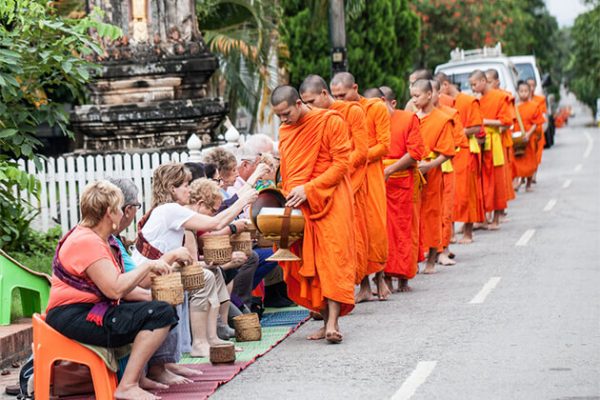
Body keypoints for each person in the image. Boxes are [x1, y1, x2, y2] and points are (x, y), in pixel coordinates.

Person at [45, 180, 184, 400]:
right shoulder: (86, 241)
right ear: (110, 212)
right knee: (160, 314)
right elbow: (115, 290)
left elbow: (122, 287)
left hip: (85, 311)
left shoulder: (96, 239)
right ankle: (127, 385)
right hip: (74, 316)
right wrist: (149, 265)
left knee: (158, 309)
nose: (123, 214)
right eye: (120, 208)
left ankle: (135, 379)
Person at [132, 163, 257, 358]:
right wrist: (243, 201)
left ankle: (212, 337)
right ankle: (199, 343)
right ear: (172, 188)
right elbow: (216, 224)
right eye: (185, 185)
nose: (189, 189)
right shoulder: (170, 210)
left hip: (160, 271)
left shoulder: (168, 209)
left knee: (211, 274)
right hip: (146, 278)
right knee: (204, 276)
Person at [271, 85, 355, 343]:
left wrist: (310, 188)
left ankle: (333, 323)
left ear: (298, 103)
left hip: (331, 199)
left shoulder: (330, 121)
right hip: (298, 202)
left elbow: (342, 163)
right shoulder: (286, 130)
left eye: (286, 113)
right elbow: (288, 168)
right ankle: (321, 315)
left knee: (332, 259)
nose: (283, 120)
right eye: (279, 116)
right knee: (310, 263)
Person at [108, 178, 199, 387]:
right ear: (126, 209)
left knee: (168, 295)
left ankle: (157, 368)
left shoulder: (112, 240)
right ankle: (138, 379)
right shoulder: (99, 240)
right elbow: (125, 288)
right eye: (185, 185)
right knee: (163, 305)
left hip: (106, 302)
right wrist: (169, 259)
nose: (189, 189)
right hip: (91, 311)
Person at [299, 74, 369, 288]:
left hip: (350, 181)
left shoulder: (352, 111)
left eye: (311, 102)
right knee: (327, 243)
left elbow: (361, 150)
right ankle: (328, 294)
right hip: (320, 188)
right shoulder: (309, 118)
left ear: (323, 93)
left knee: (356, 235)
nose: (309, 107)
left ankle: (363, 284)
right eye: (305, 103)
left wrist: (339, 170)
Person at [330, 72, 391, 302]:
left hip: (371, 174)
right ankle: (363, 284)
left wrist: (360, 154)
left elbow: (384, 145)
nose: (340, 100)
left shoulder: (375, 108)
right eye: (336, 96)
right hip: (349, 177)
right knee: (355, 232)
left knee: (376, 228)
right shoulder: (335, 112)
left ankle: (380, 278)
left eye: (343, 94)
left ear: (355, 88)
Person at [366, 87, 424, 292]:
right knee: (381, 231)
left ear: (385, 101)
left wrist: (389, 169)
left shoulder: (408, 119)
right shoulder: (369, 121)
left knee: (402, 230)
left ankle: (404, 277)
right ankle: (385, 277)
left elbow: (415, 152)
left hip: (402, 183)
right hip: (375, 184)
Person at [410, 79, 455, 275]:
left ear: (429, 95)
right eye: (412, 96)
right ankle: (416, 258)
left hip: (433, 173)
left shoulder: (441, 119)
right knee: (414, 216)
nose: (414, 100)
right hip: (414, 173)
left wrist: (430, 165)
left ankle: (432, 260)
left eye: (417, 96)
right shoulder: (412, 118)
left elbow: (447, 152)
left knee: (432, 215)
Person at [435, 72, 485, 244]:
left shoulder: (468, 101)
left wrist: (458, 132)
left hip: (465, 150)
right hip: (449, 152)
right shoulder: (443, 104)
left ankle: (468, 233)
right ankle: (451, 233)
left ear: (445, 85)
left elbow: (477, 126)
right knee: (450, 193)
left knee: (466, 192)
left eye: (438, 89)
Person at [469, 70, 512, 230]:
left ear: (483, 81)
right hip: (480, 143)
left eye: (475, 84)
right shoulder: (477, 100)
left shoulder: (499, 97)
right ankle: (483, 217)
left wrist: (485, 121)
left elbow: (507, 122)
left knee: (495, 180)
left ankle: (496, 218)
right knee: (482, 181)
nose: (473, 88)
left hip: (494, 143)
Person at [431, 80, 468, 266]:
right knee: (429, 213)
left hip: (444, 165)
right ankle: (431, 250)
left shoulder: (450, 114)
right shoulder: (415, 115)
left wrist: (442, 151)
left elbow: (459, 140)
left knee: (445, 210)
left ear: (438, 93)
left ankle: (443, 249)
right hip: (424, 169)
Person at [486, 69, 516, 205]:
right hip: (486, 142)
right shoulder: (479, 98)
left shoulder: (504, 97)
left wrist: (488, 125)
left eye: (489, 82)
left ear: (497, 82)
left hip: (501, 140)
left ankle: (501, 208)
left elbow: (508, 122)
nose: (487, 85)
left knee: (501, 175)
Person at [513, 81, 545, 191]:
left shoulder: (534, 106)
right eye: (521, 91)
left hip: (529, 137)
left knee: (530, 161)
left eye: (526, 91)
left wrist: (529, 134)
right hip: (518, 137)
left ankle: (528, 184)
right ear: (517, 92)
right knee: (516, 160)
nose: (523, 93)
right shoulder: (514, 107)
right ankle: (517, 181)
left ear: (530, 92)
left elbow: (537, 123)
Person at [527, 78, 548, 177]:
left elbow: (543, 115)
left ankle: (533, 173)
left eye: (533, 86)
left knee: (536, 153)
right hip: (525, 130)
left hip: (537, 130)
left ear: (535, 87)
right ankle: (525, 175)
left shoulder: (540, 100)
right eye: (529, 86)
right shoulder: (519, 101)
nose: (531, 88)